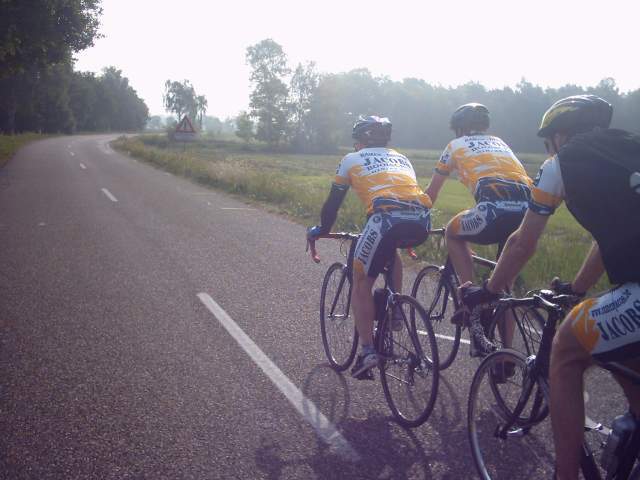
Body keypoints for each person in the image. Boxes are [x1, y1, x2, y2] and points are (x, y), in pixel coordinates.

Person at [461, 94, 640, 480]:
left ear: (559, 136)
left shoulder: (562, 163)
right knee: (625, 351)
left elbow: (523, 243)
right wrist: (577, 285)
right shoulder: (631, 149)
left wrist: (491, 289)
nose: (549, 149)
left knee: (565, 348)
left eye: (547, 143)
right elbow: (606, 239)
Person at [307, 116, 432, 379]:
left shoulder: (352, 159)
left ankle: (367, 351)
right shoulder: (402, 158)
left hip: (384, 220)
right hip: (421, 220)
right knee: (391, 247)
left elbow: (332, 204)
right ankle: (396, 306)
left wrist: (323, 230)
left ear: (361, 140)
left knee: (361, 279)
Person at [425, 103, 533, 289]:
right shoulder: (500, 143)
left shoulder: (455, 145)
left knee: (452, 232)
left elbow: (431, 193)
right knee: (503, 289)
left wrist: (418, 222)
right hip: (529, 217)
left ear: (459, 129)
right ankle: (502, 310)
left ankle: (469, 295)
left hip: (493, 212)